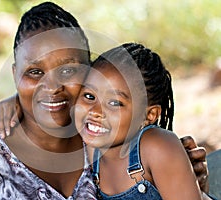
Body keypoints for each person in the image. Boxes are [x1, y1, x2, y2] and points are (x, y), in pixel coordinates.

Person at [0, 2, 211, 200]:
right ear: (15, 75)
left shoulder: (101, 138)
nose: (52, 87)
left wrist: (188, 178)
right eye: (34, 73)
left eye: (69, 71)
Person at [74, 42, 201, 199]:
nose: (95, 112)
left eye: (114, 103)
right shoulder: (90, 153)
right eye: (89, 96)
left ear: (149, 115)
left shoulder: (156, 146)